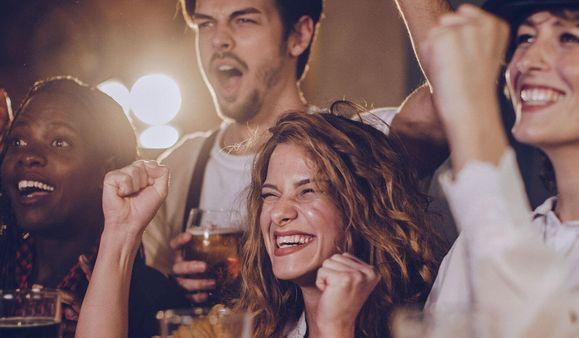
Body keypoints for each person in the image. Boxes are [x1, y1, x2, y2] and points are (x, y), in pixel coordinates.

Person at [144, 0, 450, 305]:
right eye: (206, 23)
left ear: (299, 36)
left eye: (244, 20)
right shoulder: (179, 165)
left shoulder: (353, 144)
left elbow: (455, 99)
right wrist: (168, 284)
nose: (218, 39)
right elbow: (141, 304)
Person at [77, 108, 444, 338]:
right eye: (270, 194)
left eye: (308, 191)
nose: (279, 213)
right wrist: (121, 232)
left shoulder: (426, 325)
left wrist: (335, 328)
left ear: (363, 207)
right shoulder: (244, 328)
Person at [417, 0, 579, 336]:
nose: (527, 60)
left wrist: (472, 111)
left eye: (569, 38)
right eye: (525, 38)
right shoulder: (471, 248)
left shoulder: (489, 232)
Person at [0, 76, 187, 338]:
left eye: (59, 142)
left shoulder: (153, 301)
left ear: (107, 170)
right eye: (17, 141)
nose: (27, 156)